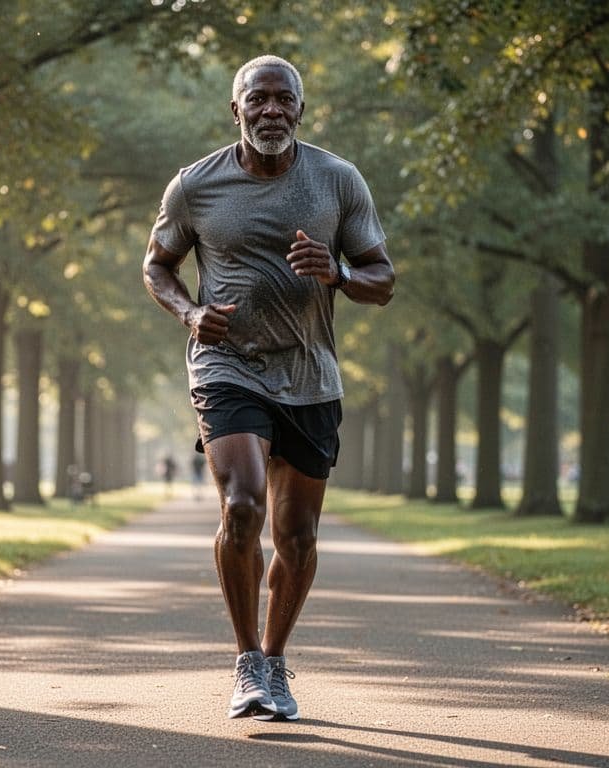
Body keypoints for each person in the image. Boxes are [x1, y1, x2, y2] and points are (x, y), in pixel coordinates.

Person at [143, 54, 394, 721]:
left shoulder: (337, 180)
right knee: (244, 505)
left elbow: (384, 280)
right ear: (236, 109)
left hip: (310, 376)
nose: (272, 111)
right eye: (258, 99)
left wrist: (337, 273)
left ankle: (276, 660)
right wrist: (191, 315)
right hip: (229, 368)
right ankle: (247, 661)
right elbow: (157, 266)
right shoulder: (194, 186)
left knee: (299, 536)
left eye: (285, 100)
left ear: (301, 110)